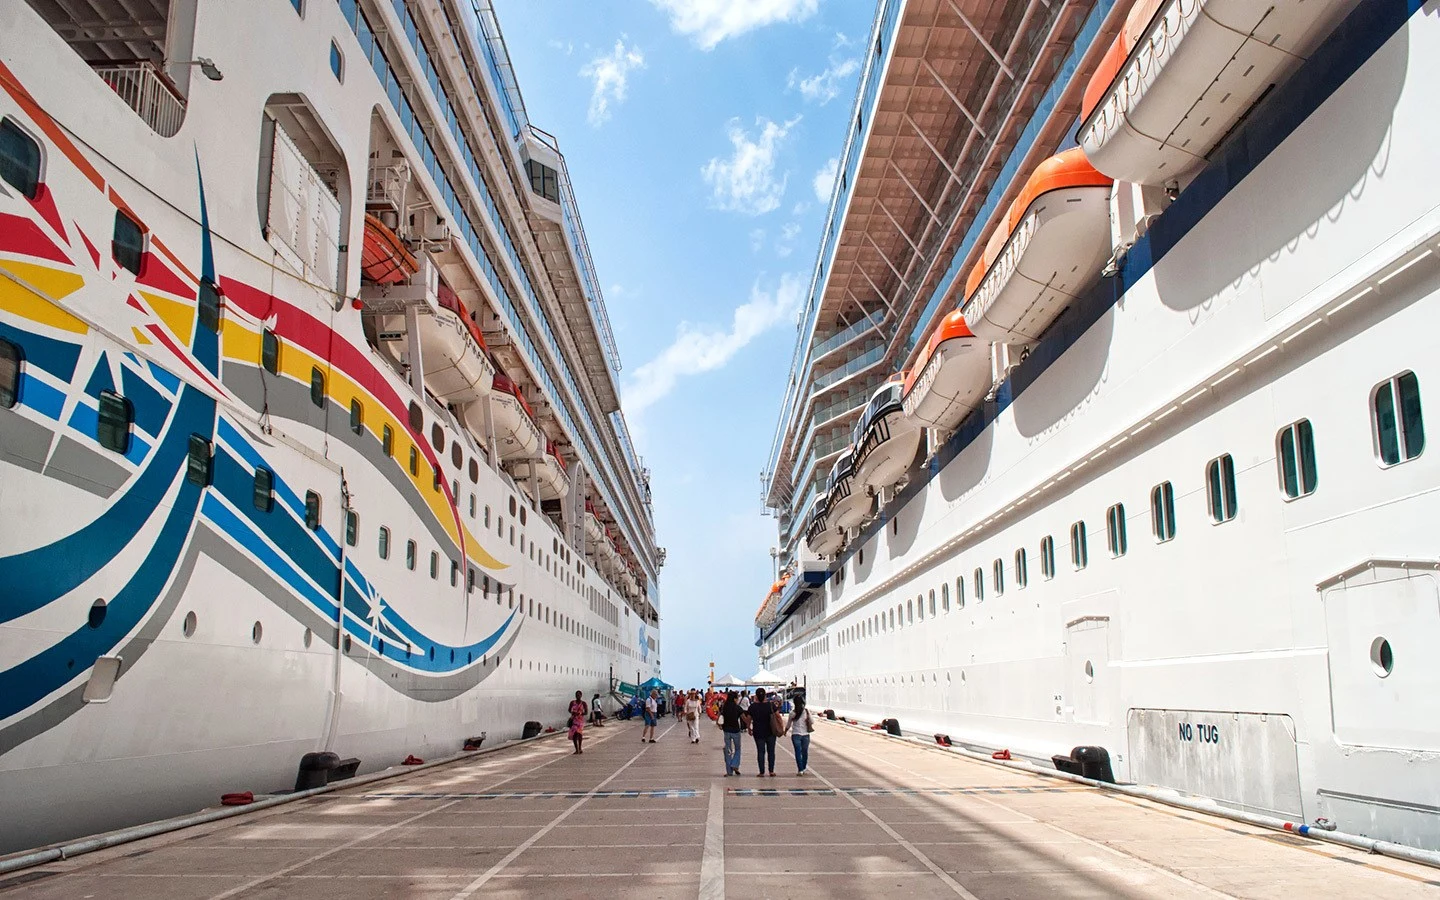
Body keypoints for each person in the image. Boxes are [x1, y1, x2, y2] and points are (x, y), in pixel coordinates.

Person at [748, 687, 779, 777]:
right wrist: (781, 727)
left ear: (756, 696)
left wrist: (749, 728)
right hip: (771, 732)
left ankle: (761, 772)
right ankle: (771, 771)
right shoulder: (770, 705)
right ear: (765, 695)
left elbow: (749, 719)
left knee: (760, 752)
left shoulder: (752, 707)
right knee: (771, 751)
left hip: (758, 732)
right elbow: (777, 716)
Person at [718, 690, 746, 776]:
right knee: (737, 749)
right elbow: (744, 718)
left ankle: (729, 771)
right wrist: (749, 725)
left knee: (728, 750)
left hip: (726, 730)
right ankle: (735, 764)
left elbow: (720, 716)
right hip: (735, 730)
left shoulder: (724, 707)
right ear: (734, 699)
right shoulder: (737, 708)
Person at [788, 695, 815, 775]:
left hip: (795, 734)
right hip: (805, 734)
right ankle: (803, 767)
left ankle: (800, 770)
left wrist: (785, 731)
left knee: (797, 752)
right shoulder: (806, 711)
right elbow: (812, 722)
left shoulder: (792, 713)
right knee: (805, 752)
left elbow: (789, 724)